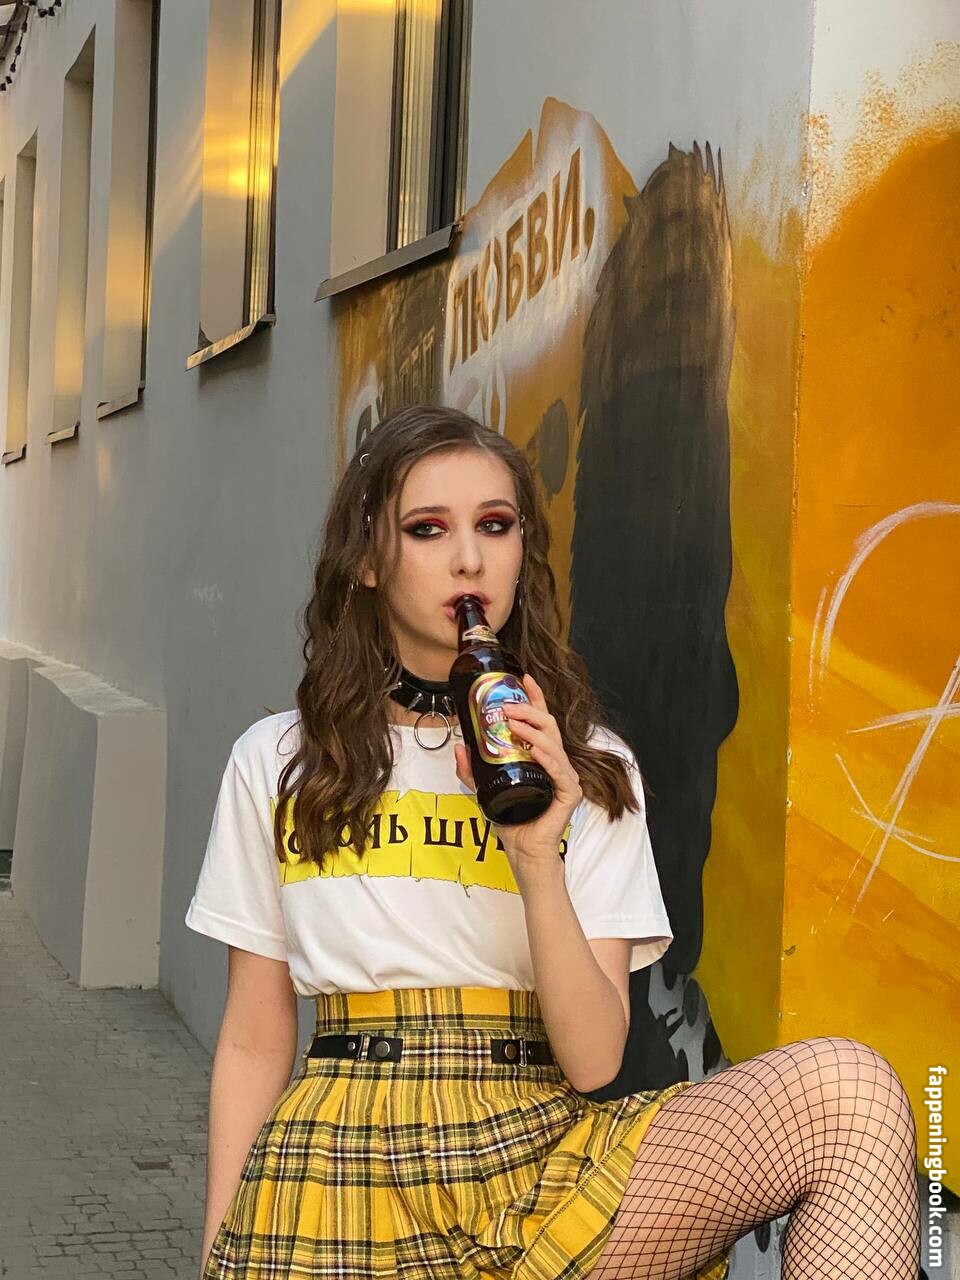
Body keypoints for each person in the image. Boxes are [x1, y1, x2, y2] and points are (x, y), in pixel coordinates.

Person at [185, 404, 921, 1279]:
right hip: (343, 1164)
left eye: (495, 525)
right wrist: (216, 1249)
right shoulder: (281, 761)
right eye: (429, 529)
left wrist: (537, 855)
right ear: (370, 561)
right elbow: (255, 1037)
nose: (469, 559)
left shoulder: (591, 767)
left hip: (541, 1160)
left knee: (849, 1097)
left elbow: (595, 1058)